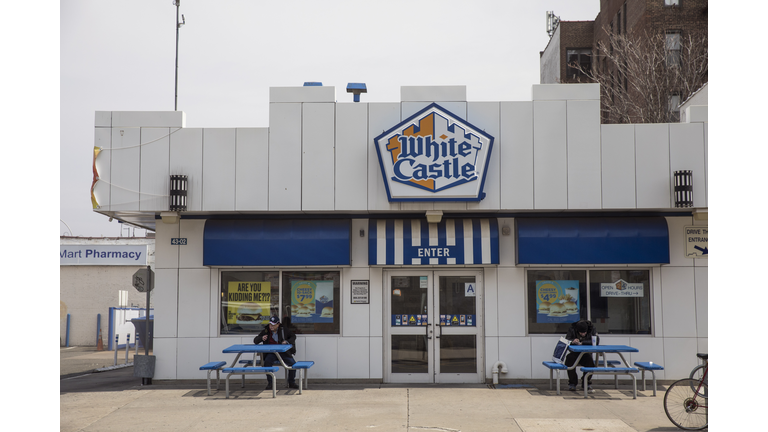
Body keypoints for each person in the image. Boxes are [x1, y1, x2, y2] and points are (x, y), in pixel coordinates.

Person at [254, 315, 299, 389]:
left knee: (293, 365)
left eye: (273, 325)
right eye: (270, 324)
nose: (271, 326)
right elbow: (255, 340)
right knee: (267, 363)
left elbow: (293, 336)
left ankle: (291, 382)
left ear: (278, 324)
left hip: (283, 352)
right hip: (271, 353)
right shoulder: (266, 331)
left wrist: (287, 341)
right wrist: (261, 338)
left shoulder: (283, 329)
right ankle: (270, 383)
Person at [564, 319, 599, 392]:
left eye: (584, 333)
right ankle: (572, 383)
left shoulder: (592, 329)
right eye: (581, 333)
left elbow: (596, 341)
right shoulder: (572, 329)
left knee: (590, 363)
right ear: (577, 330)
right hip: (575, 353)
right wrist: (573, 341)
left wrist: (583, 342)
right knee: (569, 360)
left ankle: (586, 382)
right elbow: (567, 340)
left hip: (586, 353)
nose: (583, 334)